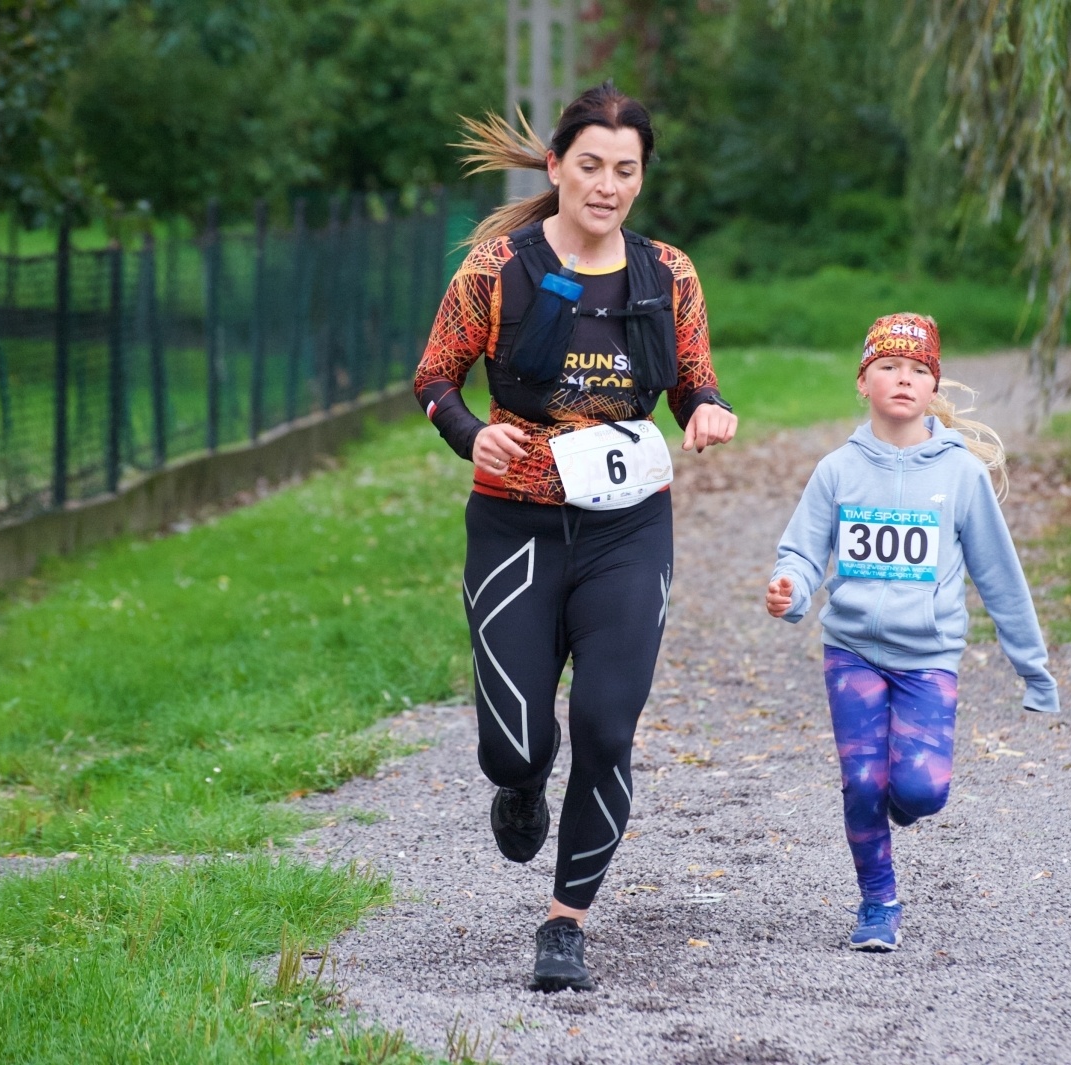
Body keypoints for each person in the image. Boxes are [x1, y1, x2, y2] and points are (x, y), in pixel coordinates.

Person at [413, 82, 737, 991]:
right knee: (513, 745)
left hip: (627, 531)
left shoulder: (666, 273)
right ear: (556, 166)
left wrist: (707, 412)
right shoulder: (496, 270)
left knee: (605, 722)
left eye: (625, 170)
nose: (606, 185)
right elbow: (435, 378)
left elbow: (695, 382)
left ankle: (567, 920)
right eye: (590, 165)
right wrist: (474, 433)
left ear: (640, 178)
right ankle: (519, 786)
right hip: (515, 522)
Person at [764, 312, 1058, 952]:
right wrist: (789, 593)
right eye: (888, 367)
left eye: (918, 370)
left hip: (929, 658)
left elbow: (999, 577)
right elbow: (803, 554)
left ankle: (899, 802)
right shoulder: (837, 470)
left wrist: (1033, 670)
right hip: (852, 654)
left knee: (920, 790)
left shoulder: (960, 476)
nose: (903, 378)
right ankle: (878, 903)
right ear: (863, 381)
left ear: (934, 387)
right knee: (863, 782)